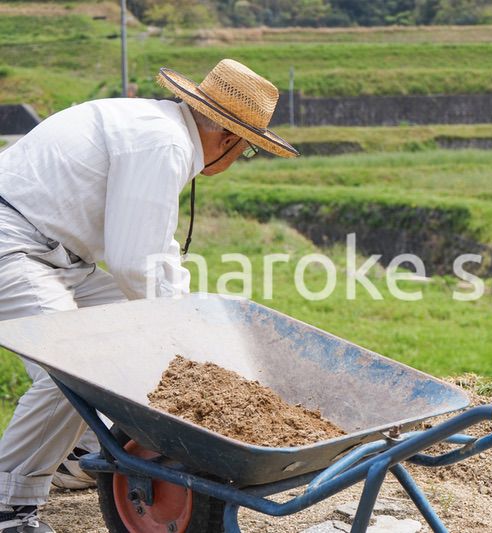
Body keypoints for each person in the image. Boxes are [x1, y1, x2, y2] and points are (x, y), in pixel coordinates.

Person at [0, 58, 298, 532]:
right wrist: (180, 336)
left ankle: (77, 456)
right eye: (246, 151)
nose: (238, 159)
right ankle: (8, 504)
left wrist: (186, 320)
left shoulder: (158, 128)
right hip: (14, 243)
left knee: (124, 333)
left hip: (57, 252)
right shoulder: (163, 143)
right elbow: (135, 261)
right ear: (226, 139)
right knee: (70, 368)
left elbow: (154, 252)